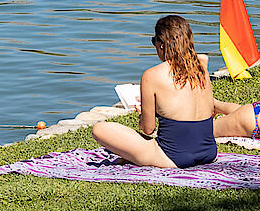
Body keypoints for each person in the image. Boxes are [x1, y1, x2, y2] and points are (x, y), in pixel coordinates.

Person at [93, 16, 218, 168]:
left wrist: (142, 113)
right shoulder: (201, 69)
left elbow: (148, 129)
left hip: (173, 157)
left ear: (162, 45)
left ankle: (136, 157)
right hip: (209, 152)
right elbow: (209, 110)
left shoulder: (151, 75)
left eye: (155, 41)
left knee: (99, 129)